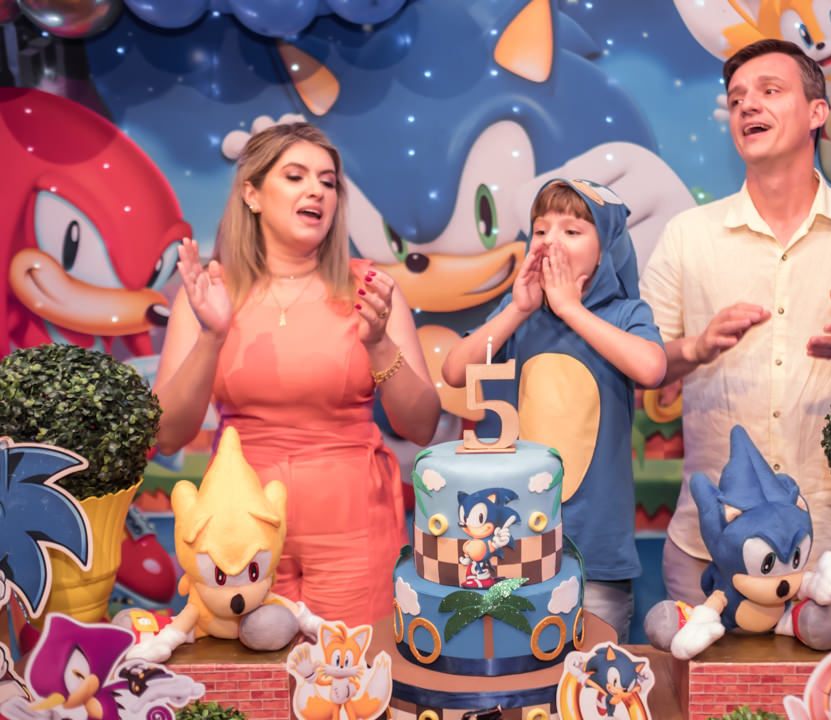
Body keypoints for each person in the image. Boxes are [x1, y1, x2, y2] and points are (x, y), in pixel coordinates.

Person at [639, 40, 831, 621]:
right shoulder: (688, 235)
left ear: (817, 112)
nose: (747, 106)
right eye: (736, 99)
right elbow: (642, 362)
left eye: (769, 91)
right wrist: (697, 347)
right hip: (710, 553)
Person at [153, 122, 441, 627]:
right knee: (255, 672)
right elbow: (167, 435)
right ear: (252, 194)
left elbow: (421, 426)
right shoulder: (210, 291)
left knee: (352, 669)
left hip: (356, 529)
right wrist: (212, 336)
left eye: (328, 182)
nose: (317, 191)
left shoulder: (371, 288)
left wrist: (379, 345)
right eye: (295, 176)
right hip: (241, 534)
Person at [443, 179, 667, 642]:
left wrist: (570, 309)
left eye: (572, 231)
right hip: (517, 547)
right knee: (520, 665)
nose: (550, 241)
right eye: (541, 230)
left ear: (607, 251)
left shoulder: (625, 314)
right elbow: (455, 370)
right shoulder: (520, 315)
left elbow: (652, 367)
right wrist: (518, 309)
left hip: (596, 558)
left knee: (594, 673)